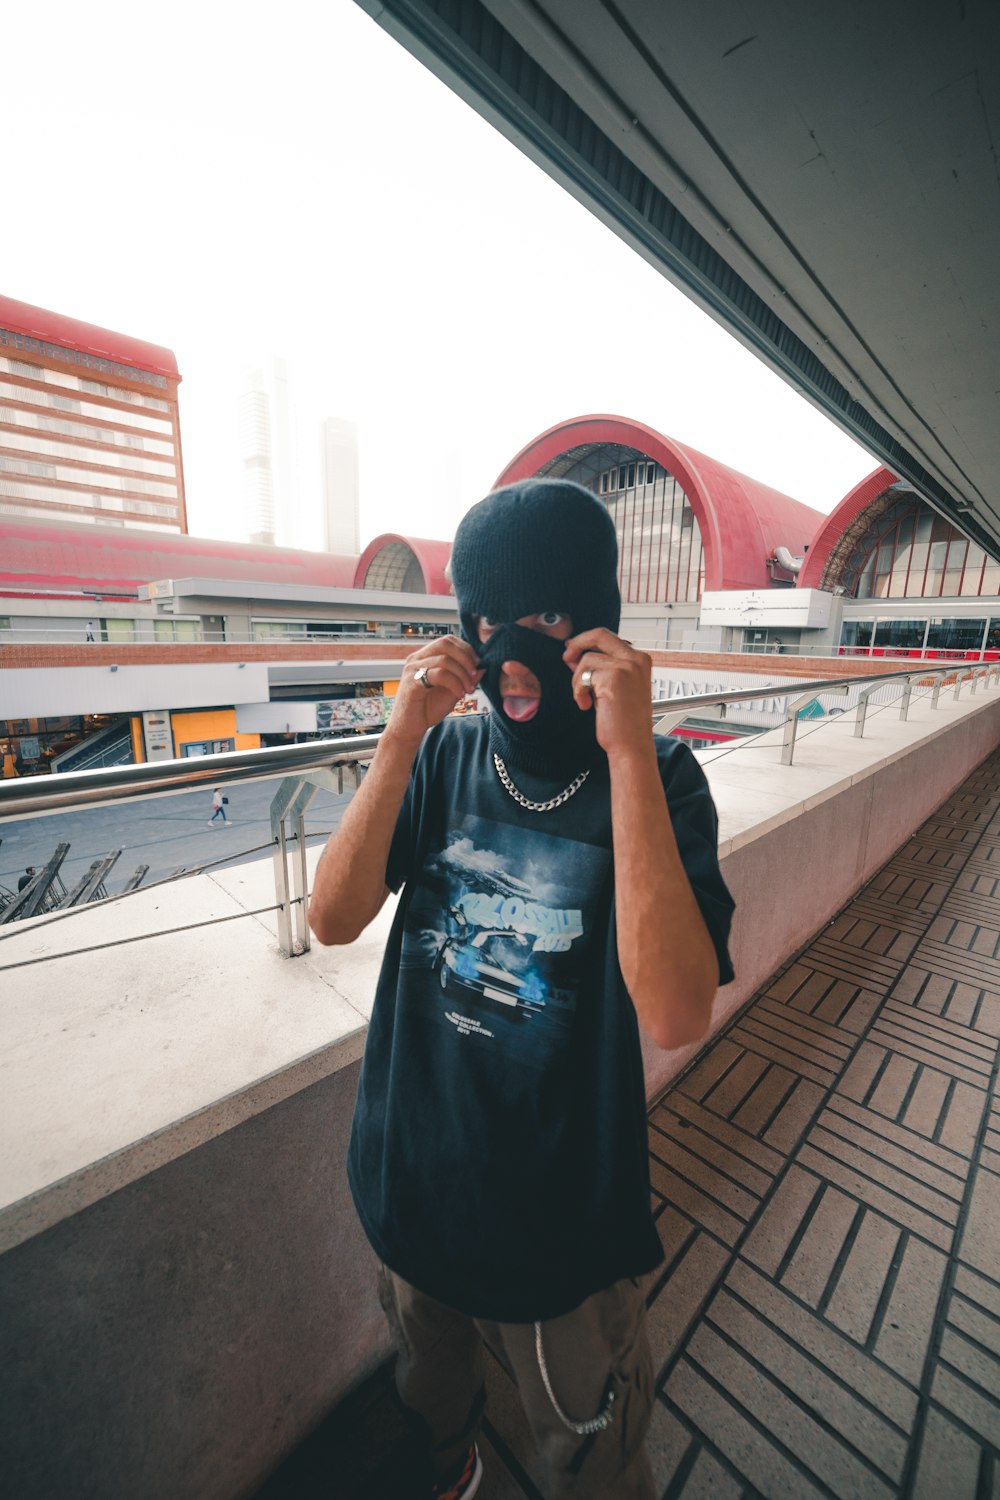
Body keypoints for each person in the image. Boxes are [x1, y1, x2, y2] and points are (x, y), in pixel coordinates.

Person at [309, 479, 734, 1499]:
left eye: (544, 617)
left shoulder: (663, 778)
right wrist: (399, 737)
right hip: (411, 1182)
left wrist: (626, 749)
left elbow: (676, 1012)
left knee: (589, 1454)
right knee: (430, 1394)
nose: (511, 649)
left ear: (597, 622)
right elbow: (329, 919)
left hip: (558, 1233)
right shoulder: (446, 751)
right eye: (490, 621)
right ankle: (451, 1468)